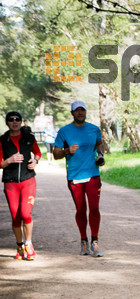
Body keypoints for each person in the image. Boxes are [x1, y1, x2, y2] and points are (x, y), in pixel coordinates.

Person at [54, 101, 105, 257]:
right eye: (77, 110)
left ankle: (94, 242)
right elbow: (56, 154)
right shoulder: (64, 131)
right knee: (81, 209)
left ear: (85, 112)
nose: (80, 113)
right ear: (72, 113)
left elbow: (99, 144)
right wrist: (67, 150)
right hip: (75, 176)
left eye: (83, 110)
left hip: (93, 175)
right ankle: (84, 240)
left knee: (95, 209)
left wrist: (100, 156)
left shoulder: (94, 129)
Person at [1, 111, 41, 260]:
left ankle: (28, 244)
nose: (14, 122)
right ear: (7, 122)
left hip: (28, 180)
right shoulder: (3, 140)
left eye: (17, 119)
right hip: (11, 183)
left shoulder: (29, 138)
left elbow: (37, 152)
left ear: (20, 121)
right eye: (11, 120)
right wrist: (10, 160)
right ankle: (19, 246)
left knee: (26, 214)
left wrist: (35, 160)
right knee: (15, 216)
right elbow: (0, 163)